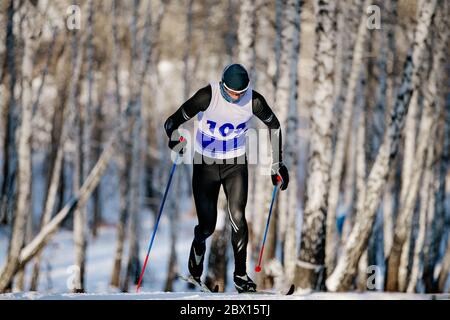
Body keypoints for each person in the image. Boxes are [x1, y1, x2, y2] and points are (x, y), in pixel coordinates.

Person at [164, 64, 289, 293]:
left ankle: (241, 276)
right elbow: (171, 122)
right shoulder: (207, 96)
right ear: (223, 85)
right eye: (231, 92)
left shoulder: (254, 101)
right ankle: (197, 255)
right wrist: (175, 141)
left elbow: (275, 126)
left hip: (235, 164)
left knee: (238, 218)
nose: (235, 97)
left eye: (240, 93)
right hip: (205, 165)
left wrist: (277, 164)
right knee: (207, 226)